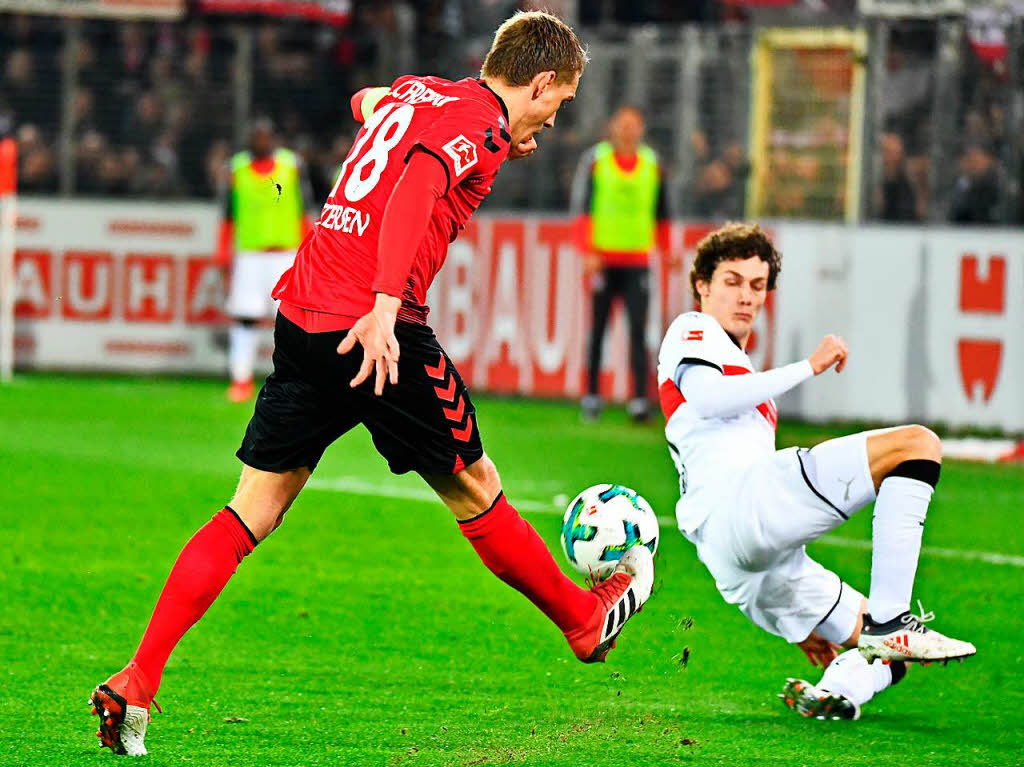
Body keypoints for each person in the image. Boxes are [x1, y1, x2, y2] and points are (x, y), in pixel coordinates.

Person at [90, 12, 654, 756]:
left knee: (250, 508)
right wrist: (388, 304)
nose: (554, 119)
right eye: (559, 102)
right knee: (477, 486)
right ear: (540, 81)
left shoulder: (421, 93)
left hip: (304, 314)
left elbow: (367, 101)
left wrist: (445, 122)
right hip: (375, 329)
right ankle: (583, 622)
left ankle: (137, 679)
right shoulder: (476, 122)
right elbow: (419, 179)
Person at [657, 222, 975, 721]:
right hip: (748, 505)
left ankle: (838, 692)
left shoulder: (736, 362)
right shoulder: (691, 330)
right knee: (918, 446)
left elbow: (732, 553)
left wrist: (792, 618)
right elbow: (710, 398)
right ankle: (893, 620)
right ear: (702, 285)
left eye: (757, 286)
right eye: (732, 281)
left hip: (731, 549)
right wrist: (810, 365)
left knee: (885, 657)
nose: (745, 296)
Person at [570, 105, 671, 423]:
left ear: (641, 130)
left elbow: (663, 211)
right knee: (597, 330)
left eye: (633, 125)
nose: (627, 131)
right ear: (612, 128)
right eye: (622, 125)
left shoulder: (652, 164)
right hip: (602, 260)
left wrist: (665, 252)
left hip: (638, 261)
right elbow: (582, 207)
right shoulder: (596, 160)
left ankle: (640, 401)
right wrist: (587, 251)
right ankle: (592, 397)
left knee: (639, 332)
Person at [217, 118, 313, 402]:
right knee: (245, 318)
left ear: (274, 138)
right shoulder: (236, 170)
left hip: (286, 254)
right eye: (256, 136)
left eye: (266, 136)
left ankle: (298, 378)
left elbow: (304, 209)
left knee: (292, 319)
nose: (261, 140)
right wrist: (223, 254)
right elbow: (226, 216)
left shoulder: (292, 165)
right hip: (250, 255)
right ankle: (241, 378)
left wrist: (310, 250)